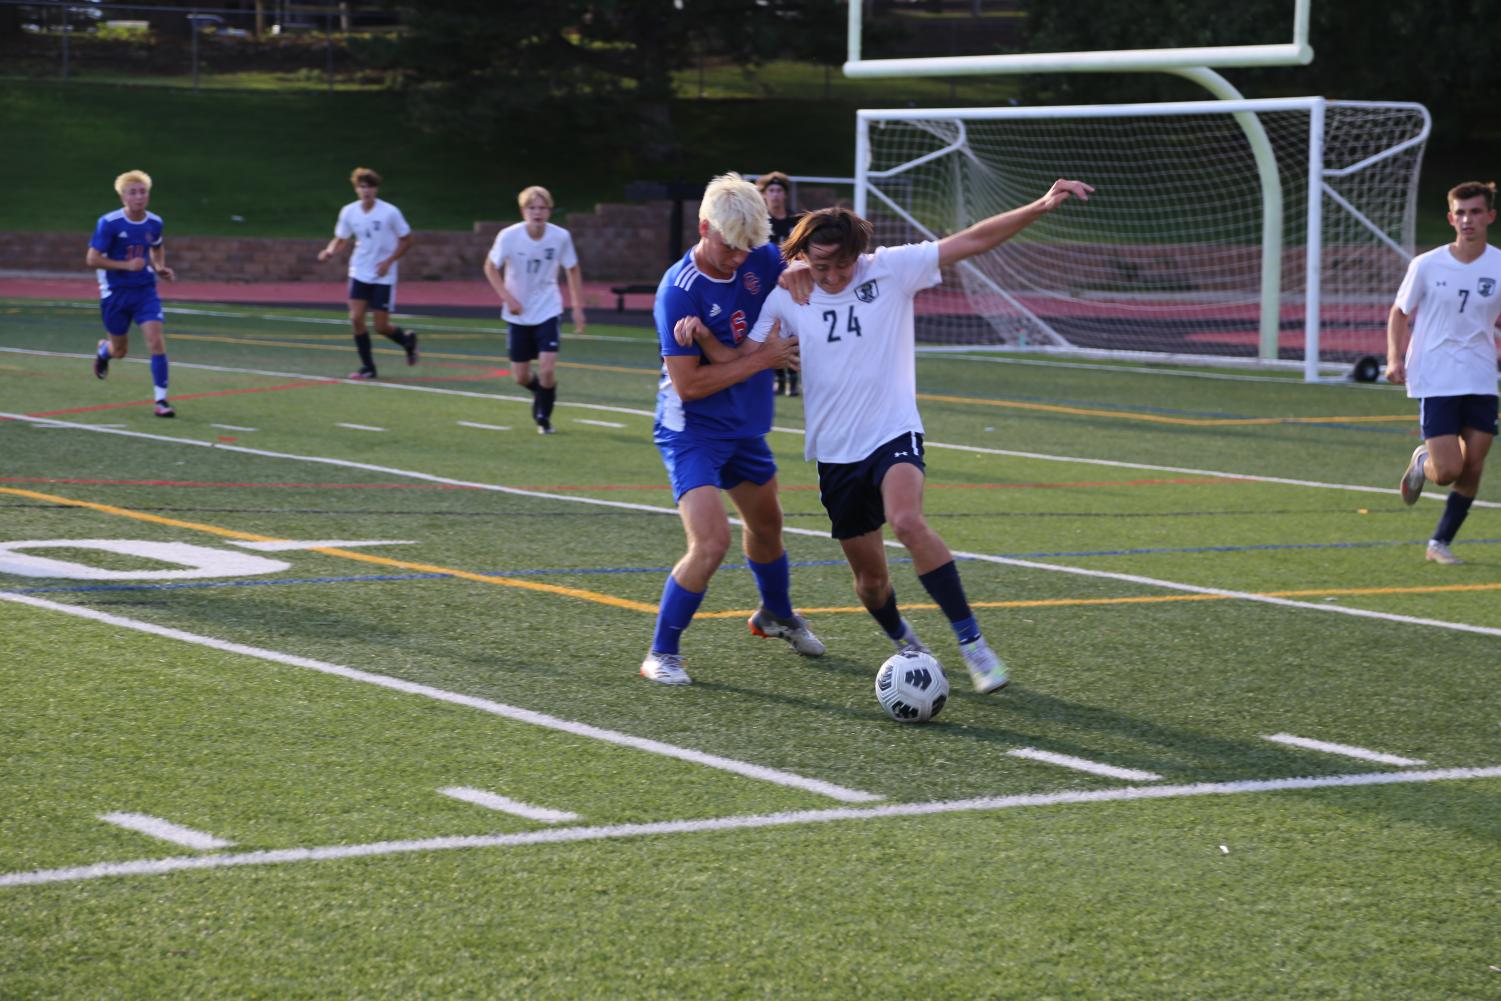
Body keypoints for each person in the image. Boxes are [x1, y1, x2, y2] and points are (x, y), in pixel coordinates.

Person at [690, 180, 1094, 694]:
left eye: (842, 266)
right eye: (820, 268)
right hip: (835, 453)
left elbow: (970, 241)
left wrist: (1039, 205)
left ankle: (974, 646)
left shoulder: (892, 269)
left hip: (893, 429)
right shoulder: (786, 294)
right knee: (871, 582)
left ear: (860, 253)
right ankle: (907, 642)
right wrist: (703, 336)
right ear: (803, 260)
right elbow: (742, 359)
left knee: (906, 520)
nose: (832, 277)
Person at [640, 173, 825, 685]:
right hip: (692, 429)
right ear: (704, 227)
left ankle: (776, 615)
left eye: (749, 249)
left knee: (768, 526)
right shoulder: (678, 293)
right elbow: (690, 384)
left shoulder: (759, 254)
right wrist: (763, 358)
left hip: (745, 427)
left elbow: (800, 265)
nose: (740, 259)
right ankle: (662, 653)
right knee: (711, 541)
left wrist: (801, 271)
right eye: (730, 247)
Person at [1388, 180, 1501, 565]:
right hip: (1435, 373)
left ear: (1490, 216)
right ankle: (1423, 462)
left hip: (1482, 374)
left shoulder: (1499, 265)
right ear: (1451, 218)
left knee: (1475, 463)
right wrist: (1394, 358)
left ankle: (1440, 542)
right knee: (1448, 470)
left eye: (1475, 211)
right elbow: (1399, 313)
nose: (1468, 219)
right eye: (1461, 212)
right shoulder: (1426, 264)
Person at [483, 185, 586, 434]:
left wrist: (577, 307)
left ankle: (543, 416)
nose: (537, 212)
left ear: (549, 211)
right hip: (517, 313)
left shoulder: (560, 237)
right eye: (531, 208)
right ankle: (545, 392)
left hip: (548, 309)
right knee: (520, 376)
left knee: (547, 367)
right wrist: (508, 298)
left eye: (542, 208)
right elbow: (490, 267)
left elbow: (572, 268)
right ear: (523, 211)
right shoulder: (508, 236)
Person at [86, 169, 178, 418]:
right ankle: (104, 351)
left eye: (143, 192)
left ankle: (161, 401)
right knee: (120, 351)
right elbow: (92, 259)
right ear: (123, 197)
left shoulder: (155, 222)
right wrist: (125, 266)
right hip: (115, 294)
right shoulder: (110, 223)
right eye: (133, 192)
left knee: (156, 342)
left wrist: (159, 268)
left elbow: (157, 247)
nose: (139, 197)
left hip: (145, 291)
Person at [318, 167, 418, 380]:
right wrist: (329, 251)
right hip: (359, 270)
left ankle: (407, 340)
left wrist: (389, 261)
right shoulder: (348, 211)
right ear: (356, 189)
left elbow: (407, 239)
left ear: (376, 189)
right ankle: (368, 367)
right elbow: (342, 239)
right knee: (356, 318)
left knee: (380, 326)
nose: (366, 191)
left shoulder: (390, 212)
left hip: (384, 274)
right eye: (362, 187)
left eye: (370, 186)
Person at [757, 171, 803, 397]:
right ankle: (777, 377)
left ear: (785, 195)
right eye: (771, 191)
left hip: (793, 284)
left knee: (793, 329)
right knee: (771, 330)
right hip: (767, 286)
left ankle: (793, 380)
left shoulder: (795, 222)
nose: (775, 195)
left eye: (779, 191)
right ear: (764, 195)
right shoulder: (760, 223)